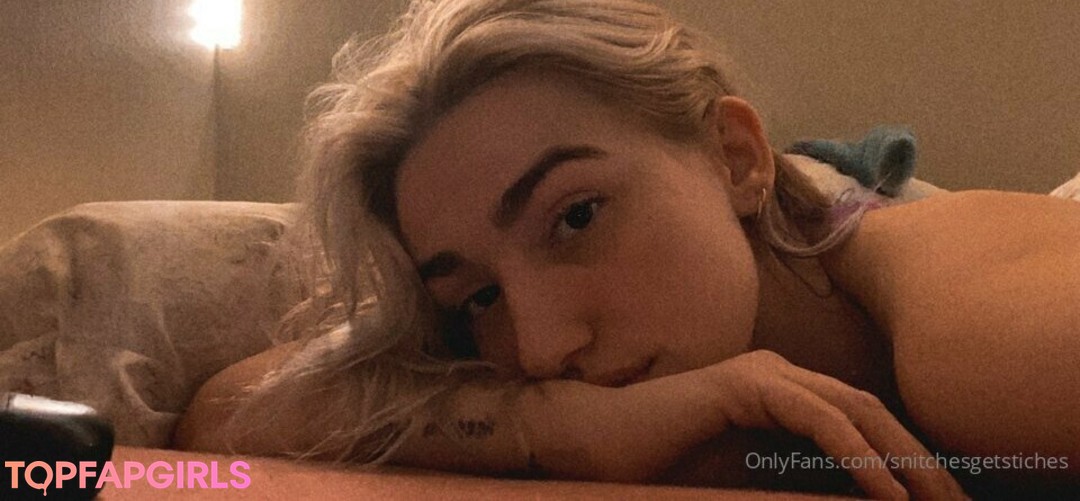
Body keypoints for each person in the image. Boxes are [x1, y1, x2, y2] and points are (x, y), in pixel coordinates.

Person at [175, 0, 1079, 498]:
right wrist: (551, 427)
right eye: (477, 297)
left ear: (736, 158)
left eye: (575, 217)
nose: (541, 347)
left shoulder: (969, 330)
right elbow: (229, 412)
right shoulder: (553, 368)